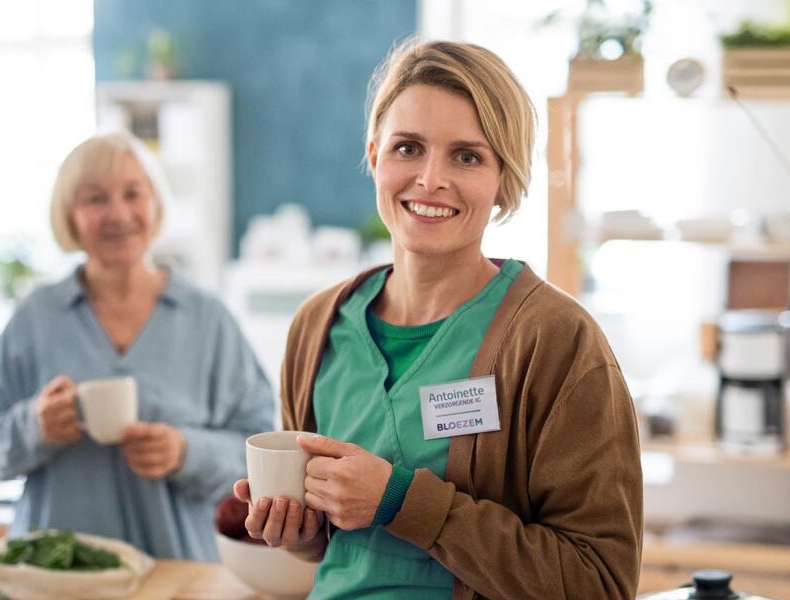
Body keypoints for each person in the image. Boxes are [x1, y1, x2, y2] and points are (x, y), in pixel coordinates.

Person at [232, 39, 643, 598]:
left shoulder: (556, 340)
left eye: (467, 156)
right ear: (374, 155)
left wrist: (404, 502)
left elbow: (599, 582)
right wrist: (299, 529)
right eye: (408, 148)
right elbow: (337, 549)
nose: (430, 179)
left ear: (504, 180)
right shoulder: (317, 327)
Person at [0, 131, 274, 562]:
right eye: (95, 199)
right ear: (69, 215)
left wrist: (186, 451)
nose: (118, 214)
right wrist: (33, 427)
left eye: (133, 193)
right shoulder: (36, 317)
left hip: (177, 573)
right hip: (53, 573)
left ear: (156, 204)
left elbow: (259, 453)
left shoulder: (208, 320)